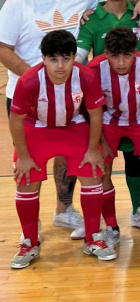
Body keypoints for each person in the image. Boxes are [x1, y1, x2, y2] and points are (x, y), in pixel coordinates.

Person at [0, 0, 140, 240]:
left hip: (71, 97)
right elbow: (3, 48)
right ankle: (30, 225)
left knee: (67, 155)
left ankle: (64, 210)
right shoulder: (17, 2)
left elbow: (114, 0)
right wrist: (38, 80)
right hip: (26, 96)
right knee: (30, 162)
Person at [9, 30, 116, 269]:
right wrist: (23, 157)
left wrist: (92, 149)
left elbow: (95, 115)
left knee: (92, 170)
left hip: (73, 126)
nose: (60, 66)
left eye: (66, 59)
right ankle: (29, 242)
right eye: (54, 59)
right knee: (25, 178)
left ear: (73, 58)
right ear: (43, 59)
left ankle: (93, 238)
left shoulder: (85, 77)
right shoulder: (28, 80)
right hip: (37, 128)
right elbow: (15, 120)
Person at [77, 0, 140, 228]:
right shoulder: (92, 19)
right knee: (100, 164)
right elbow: (79, 58)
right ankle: (101, 221)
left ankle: (139, 210)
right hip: (107, 106)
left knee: (138, 162)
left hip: (139, 104)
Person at [88, 27, 140, 248]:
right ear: (106, 53)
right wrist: (101, 141)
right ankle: (111, 226)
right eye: (114, 56)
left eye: (127, 55)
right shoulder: (94, 70)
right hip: (108, 123)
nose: (120, 62)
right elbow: (91, 111)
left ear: (135, 52)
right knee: (101, 170)